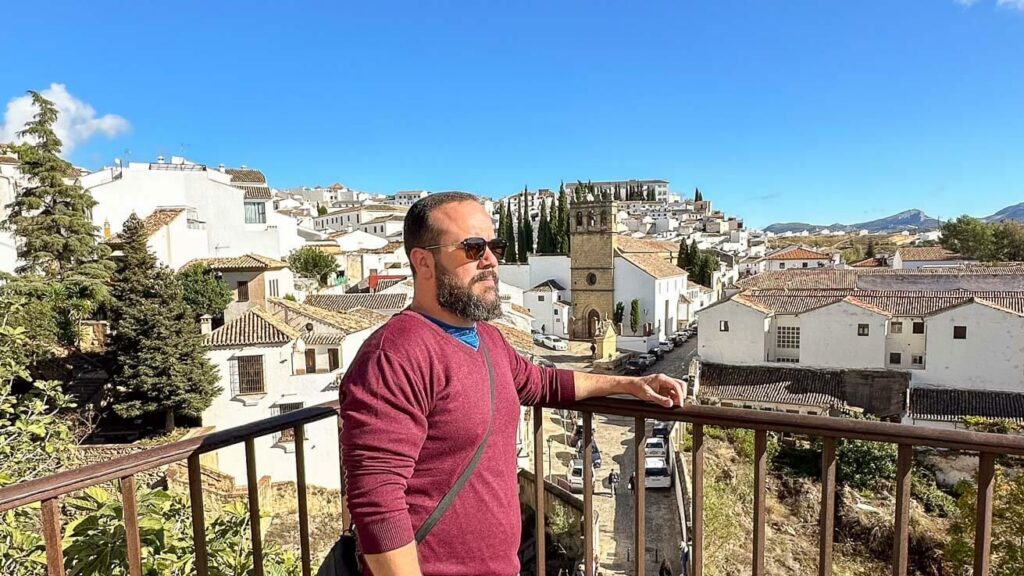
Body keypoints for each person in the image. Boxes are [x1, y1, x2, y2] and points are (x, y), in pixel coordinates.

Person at [340, 192, 687, 576]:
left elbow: (545, 383)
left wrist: (630, 384)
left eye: (495, 246)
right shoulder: (394, 355)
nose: (490, 260)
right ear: (423, 261)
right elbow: (377, 503)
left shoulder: (488, 341)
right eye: (473, 248)